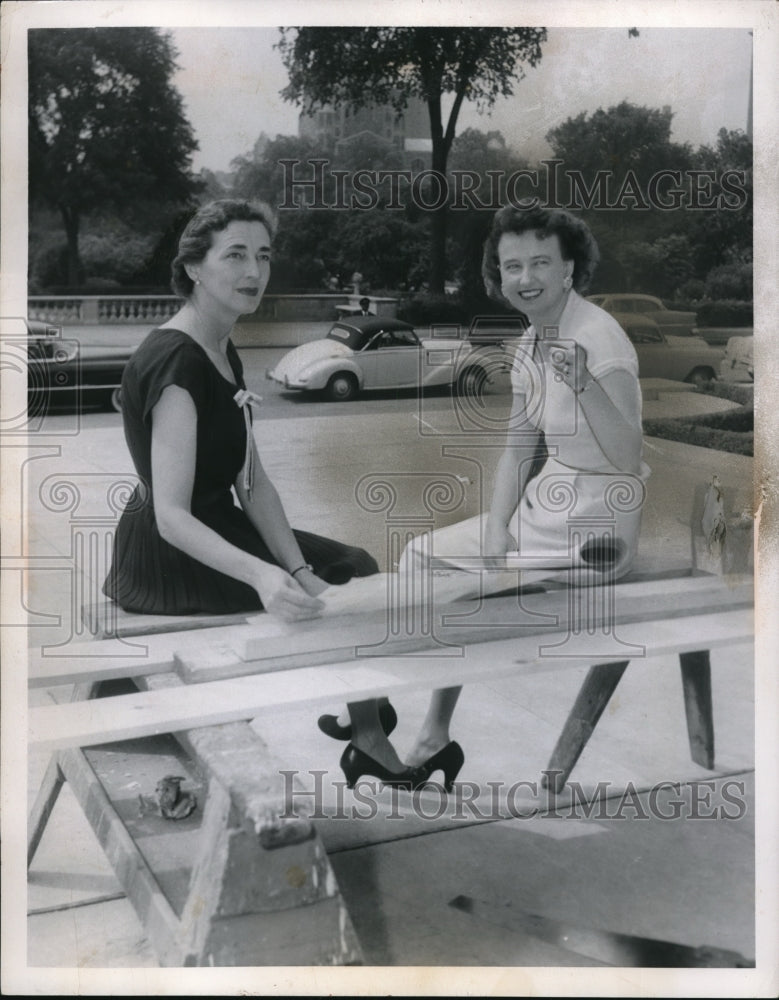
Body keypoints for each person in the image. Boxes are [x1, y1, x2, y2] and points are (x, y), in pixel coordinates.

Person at [320, 205, 650, 790]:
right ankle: (429, 730)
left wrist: (583, 383)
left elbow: (627, 457)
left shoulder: (600, 337)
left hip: (597, 530)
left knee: (446, 585)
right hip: (543, 514)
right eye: (512, 265)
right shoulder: (529, 343)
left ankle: (382, 717)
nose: (525, 278)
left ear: (571, 268)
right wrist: (497, 525)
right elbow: (518, 451)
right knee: (420, 556)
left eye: (541, 263)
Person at [104, 199, 379, 622]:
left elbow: (252, 483)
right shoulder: (178, 361)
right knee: (340, 592)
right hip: (169, 555)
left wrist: (298, 569)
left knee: (349, 569)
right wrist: (263, 576)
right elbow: (172, 517)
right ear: (194, 268)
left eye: (263, 256)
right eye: (235, 254)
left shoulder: (219, 348)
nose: (254, 271)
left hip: (216, 527)